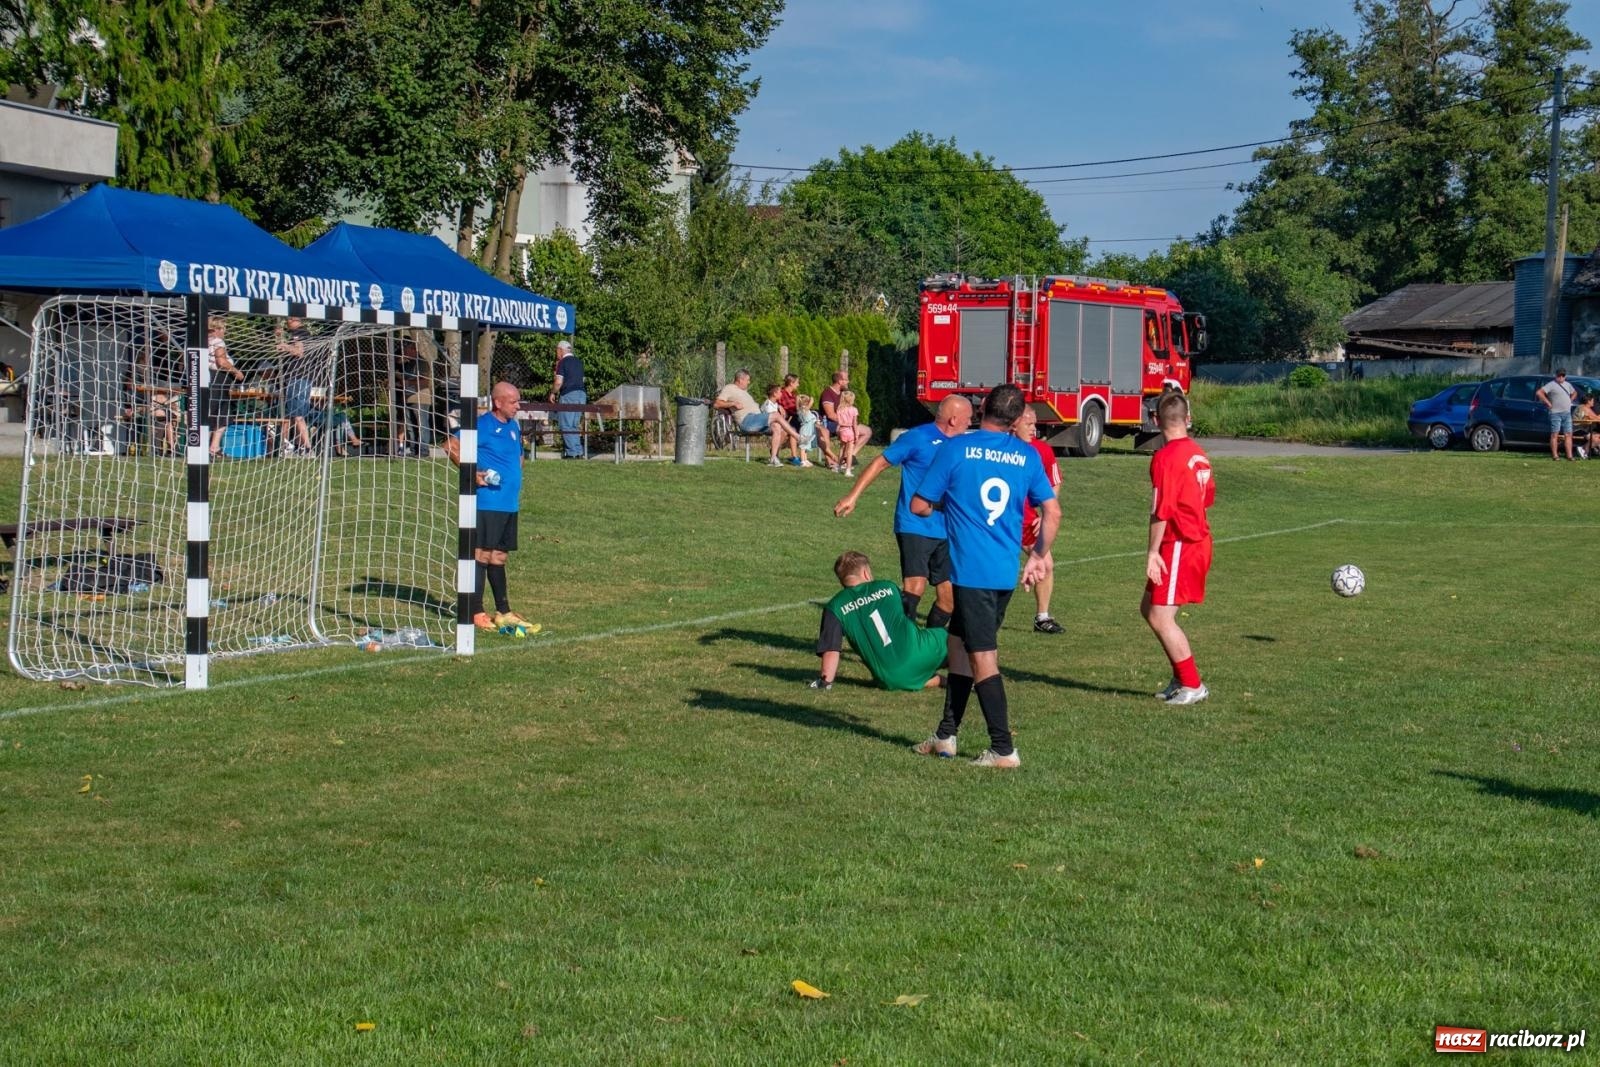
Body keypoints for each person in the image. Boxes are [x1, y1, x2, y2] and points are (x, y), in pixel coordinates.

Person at [909, 384, 1059, 768]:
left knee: (982, 658)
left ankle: (1003, 749)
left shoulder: (957, 448)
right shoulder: (1027, 455)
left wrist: (950, 506)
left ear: (982, 407)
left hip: (972, 572)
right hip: (1003, 572)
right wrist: (1038, 556)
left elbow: (919, 505)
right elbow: (1053, 511)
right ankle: (945, 736)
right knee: (958, 646)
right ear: (1017, 418)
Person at [834, 394, 972, 630]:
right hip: (914, 523)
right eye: (968, 418)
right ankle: (902, 643)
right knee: (915, 587)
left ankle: (929, 645)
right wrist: (853, 496)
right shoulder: (917, 438)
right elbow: (880, 463)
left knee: (949, 598)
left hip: (948, 528)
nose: (970, 423)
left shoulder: (962, 446)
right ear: (953, 419)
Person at [1142, 391, 1215, 706]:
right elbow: (1207, 497)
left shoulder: (1165, 457)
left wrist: (1152, 552)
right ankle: (1180, 677)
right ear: (1188, 419)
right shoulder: (1198, 452)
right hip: (1193, 539)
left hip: (1181, 543)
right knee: (1149, 608)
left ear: (1155, 420)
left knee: (1161, 616)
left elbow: (1161, 510)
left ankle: (1193, 685)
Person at [444, 381, 534, 632]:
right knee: (481, 554)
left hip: (508, 504)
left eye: (518, 401)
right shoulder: (481, 425)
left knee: (499, 556)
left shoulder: (513, 426)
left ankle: (504, 611)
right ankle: (476, 611)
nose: (518, 406)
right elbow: (450, 446)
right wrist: (472, 473)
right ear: (498, 402)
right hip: (488, 503)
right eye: (513, 401)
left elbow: (518, 456)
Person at [812, 551, 948, 691]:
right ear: (865, 573)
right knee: (954, 637)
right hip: (920, 651)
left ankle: (939, 680)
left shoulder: (835, 606)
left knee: (903, 672)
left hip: (889, 678)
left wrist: (825, 682)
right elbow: (906, 616)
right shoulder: (887, 586)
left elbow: (831, 650)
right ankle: (959, 674)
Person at [1013, 408, 1065, 634]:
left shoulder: (1041, 450)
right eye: (1029, 424)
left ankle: (1042, 618)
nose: (1034, 429)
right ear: (1014, 423)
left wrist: (1045, 513)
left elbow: (1055, 481)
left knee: (1045, 563)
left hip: (1027, 520)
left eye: (1035, 424)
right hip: (997, 519)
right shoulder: (999, 447)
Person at [713, 368, 800, 467]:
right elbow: (717, 404)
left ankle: (773, 458)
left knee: (778, 427)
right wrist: (733, 403)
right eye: (747, 380)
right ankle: (798, 437)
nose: (749, 382)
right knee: (776, 415)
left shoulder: (744, 391)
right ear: (741, 380)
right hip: (747, 421)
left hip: (757, 419)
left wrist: (779, 406)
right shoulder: (729, 388)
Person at [274, 315, 315, 456]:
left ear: (299, 320)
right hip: (298, 378)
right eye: (287, 319)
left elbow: (299, 351)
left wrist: (285, 346)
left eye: (291, 319)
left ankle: (308, 448)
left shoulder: (300, 332)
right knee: (294, 415)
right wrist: (279, 338)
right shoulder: (294, 334)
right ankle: (298, 446)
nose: (288, 321)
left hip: (298, 377)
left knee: (298, 415)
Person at [206, 315, 245, 458]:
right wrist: (236, 372)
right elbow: (221, 362)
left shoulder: (201, 341)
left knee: (221, 415)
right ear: (216, 329)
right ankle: (206, 449)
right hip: (218, 380)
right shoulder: (218, 341)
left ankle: (214, 448)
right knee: (214, 415)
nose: (224, 331)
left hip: (209, 380)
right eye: (223, 328)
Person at [819, 370, 871, 471]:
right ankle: (843, 459)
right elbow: (831, 415)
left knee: (867, 431)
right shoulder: (827, 393)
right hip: (829, 423)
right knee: (849, 431)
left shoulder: (843, 393)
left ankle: (848, 457)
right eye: (846, 380)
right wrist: (847, 422)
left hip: (843, 423)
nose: (848, 382)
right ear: (840, 381)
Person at [549, 338, 586, 460]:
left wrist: (553, 393)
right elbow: (582, 379)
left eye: (557, 351)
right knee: (574, 425)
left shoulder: (563, 362)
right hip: (582, 394)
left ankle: (571, 453)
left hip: (569, 394)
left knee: (565, 424)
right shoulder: (579, 362)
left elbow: (558, 382)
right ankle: (578, 451)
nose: (556, 354)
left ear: (560, 350)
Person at [762, 384, 809, 466]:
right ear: (774, 394)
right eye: (780, 392)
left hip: (776, 426)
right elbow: (770, 420)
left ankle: (792, 456)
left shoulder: (775, 404)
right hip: (767, 426)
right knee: (785, 431)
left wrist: (780, 406)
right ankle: (775, 453)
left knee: (792, 430)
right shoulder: (768, 405)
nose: (781, 394)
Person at [1537, 368, 1578, 462]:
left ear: (1565, 376)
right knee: (1555, 434)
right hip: (1555, 413)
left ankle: (1569, 456)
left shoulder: (1568, 384)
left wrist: (1570, 400)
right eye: (1559, 376)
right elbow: (1539, 393)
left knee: (1568, 434)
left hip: (1567, 413)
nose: (1561, 377)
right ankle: (1555, 456)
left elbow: (1575, 392)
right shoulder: (1551, 384)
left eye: (1563, 376)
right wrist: (1548, 403)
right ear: (1556, 376)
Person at [834, 389, 863, 475]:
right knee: (850, 452)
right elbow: (854, 423)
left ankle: (838, 467)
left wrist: (838, 432)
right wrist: (856, 434)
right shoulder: (854, 410)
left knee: (842, 450)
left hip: (842, 430)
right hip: (850, 430)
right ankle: (848, 470)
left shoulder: (839, 409)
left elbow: (838, 422)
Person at [1576, 393, 1600, 459]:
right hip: (1579, 430)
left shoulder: (1587, 408)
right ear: (1588, 401)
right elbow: (1595, 418)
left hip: (1584, 429)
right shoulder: (1583, 408)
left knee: (1598, 436)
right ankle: (1583, 449)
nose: (1593, 402)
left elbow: (1595, 418)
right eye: (1592, 401)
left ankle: (1589, 450)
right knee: (1596, 439)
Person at [796, 394, 819, 461]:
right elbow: (810, 403)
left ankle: (805, 459)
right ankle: (803, 460)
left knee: (806, 446)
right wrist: (811, 399)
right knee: (803, 446)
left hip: (809, 430)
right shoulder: (803, 409)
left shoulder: (805, 410)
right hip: (805, 431)